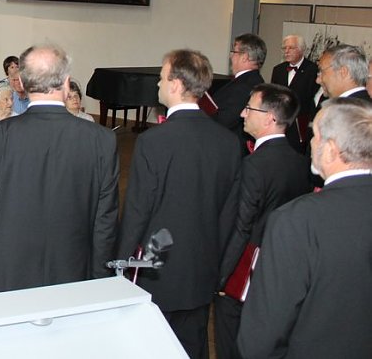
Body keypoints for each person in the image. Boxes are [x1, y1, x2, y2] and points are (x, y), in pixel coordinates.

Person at [0, 45, 118, 295]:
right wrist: (100, 284)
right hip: (75, 275)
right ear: (66, 84)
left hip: (9, 277)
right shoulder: (102, 140)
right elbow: (104, 222)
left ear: (22, 83)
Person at [117, 49, 241, 359]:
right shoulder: (228, 143)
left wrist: (118, 263)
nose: (157, 85)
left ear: (175, 85)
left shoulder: (153, 141)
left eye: (161, 78)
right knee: (192, 345)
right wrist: (220, 270)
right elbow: (230, 216)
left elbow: (137, 212)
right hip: (203, 269)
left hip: (156, 271)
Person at [237, 98, 372, 359]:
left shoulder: (295, 220)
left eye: (315, 135)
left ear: (331, 150)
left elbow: (263, 331)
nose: (310, 142)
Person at [214, 83, 311, 359]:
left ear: (270, 118)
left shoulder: (254, 166)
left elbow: (241, 225)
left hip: (245, 270)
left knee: (230, 341)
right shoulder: (299, 162)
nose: (243, 114)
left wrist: (221, 277)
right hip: (282, 267)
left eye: (250, 108)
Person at [212, 33, 267, 153]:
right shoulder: (250, 81)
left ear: (245, 57)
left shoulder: (244, 85)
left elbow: (225, 121)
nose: (231, 56)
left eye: (234, 52)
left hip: (227, 150)